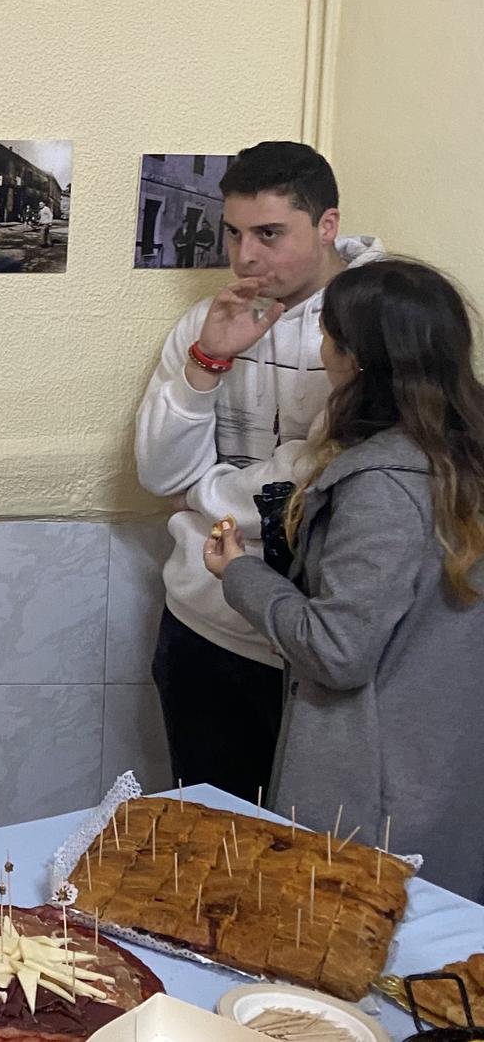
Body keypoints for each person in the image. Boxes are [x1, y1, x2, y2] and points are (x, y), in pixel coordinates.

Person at [205, 259, 484, 899]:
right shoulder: (461, 462)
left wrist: (240, 573)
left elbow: (338, 650)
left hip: (377, 798)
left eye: (329, 337)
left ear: (355, 358)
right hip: (449, 782)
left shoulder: (385, 485)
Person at [135, 142, 383, 799]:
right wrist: (206, 364)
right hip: (202, 625)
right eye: (235, 233)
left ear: (327, 226)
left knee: (312, 867)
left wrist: (207, 493)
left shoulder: (379, 321)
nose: (244, 256)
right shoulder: (208, 320)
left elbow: (316, 494)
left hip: (315, 640)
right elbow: (159, 474)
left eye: (269, 234)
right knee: (208, 851)